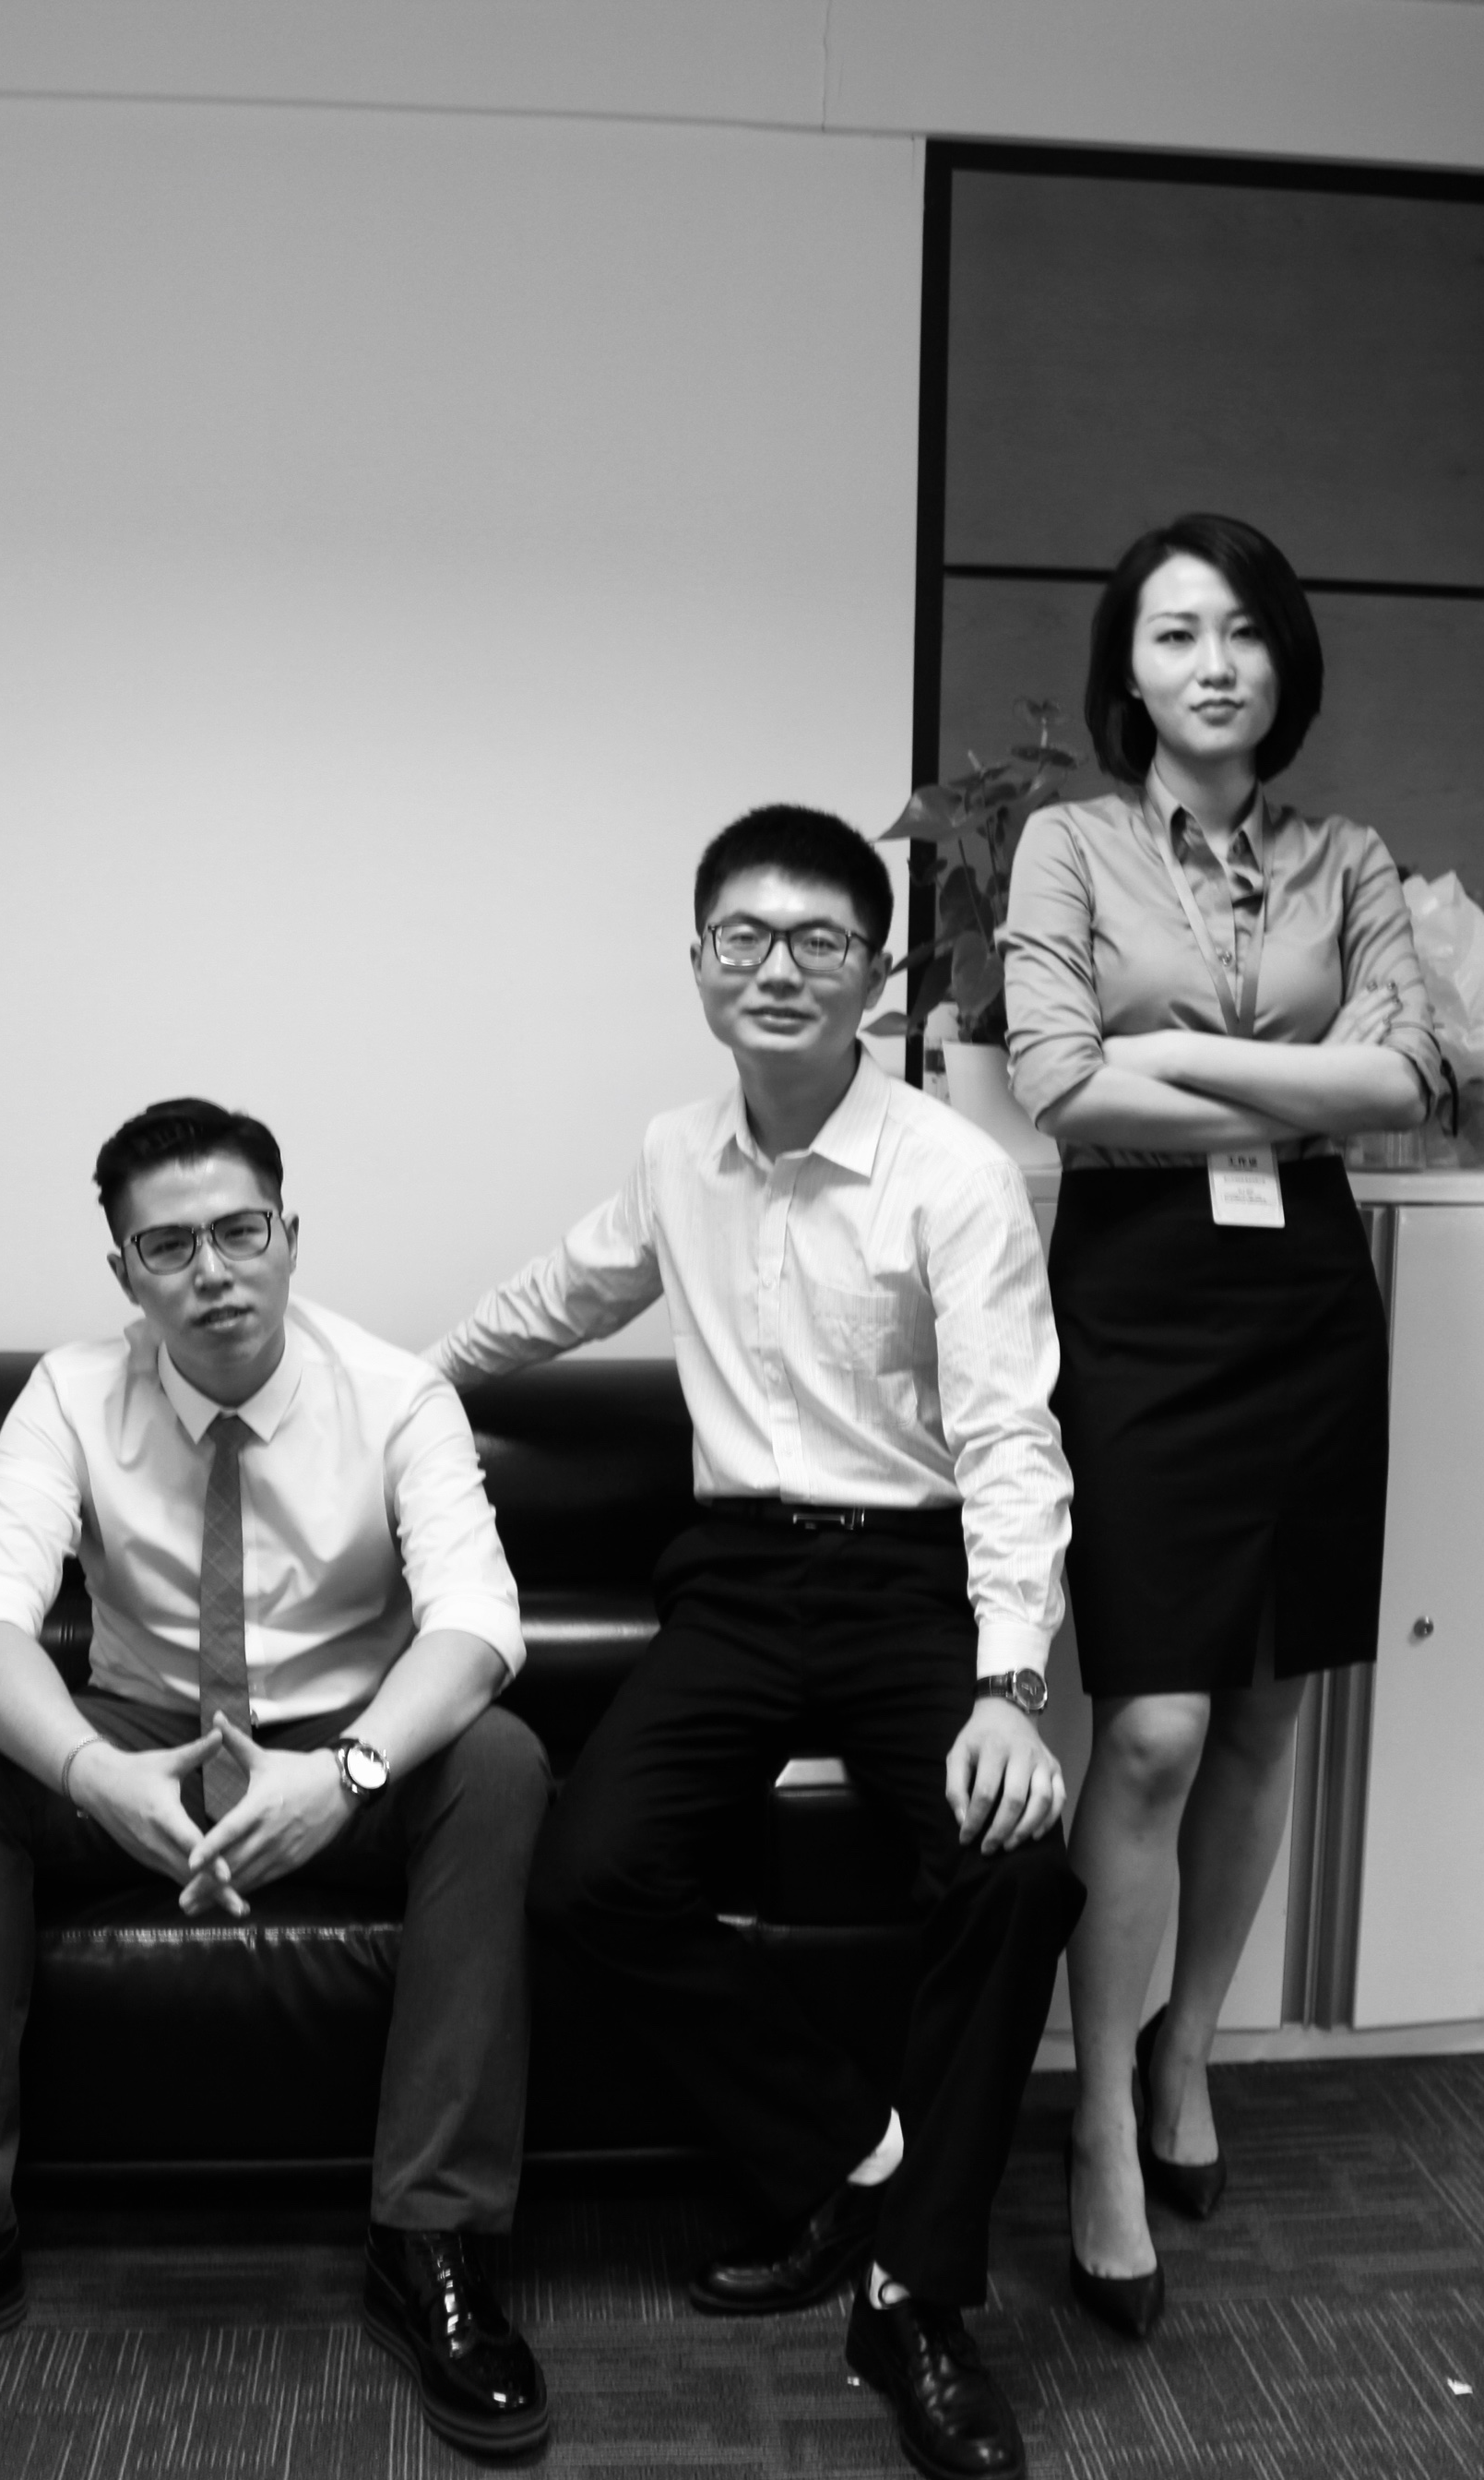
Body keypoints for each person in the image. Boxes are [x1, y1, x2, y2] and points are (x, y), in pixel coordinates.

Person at [0, 1099, 555, 2459]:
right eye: (169, 1247)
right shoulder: (72, 1392)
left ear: (290, 1237)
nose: (213, 1272)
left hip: (333, 1739)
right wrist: (91, 1772)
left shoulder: (396, 1396)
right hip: (138, 1736)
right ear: (124, 1273)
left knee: (501, 1758)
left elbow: (476, 1621)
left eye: (241, 1232)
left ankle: (435, 2242)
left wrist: (343, 1773)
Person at [429, 805, 1083, 2480]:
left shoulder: (955, 1173)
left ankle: (915, 2295)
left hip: (910, 1582)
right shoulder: (676, 1156)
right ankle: (859, 2159)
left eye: (818, 942)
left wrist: (1011, 1686)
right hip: (733, 1580)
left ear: (876, 971)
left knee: (1016, 1869)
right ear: (699, 963)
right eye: (745, 939)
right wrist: (395, 1392)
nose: (777, 969)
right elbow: (560, 1294)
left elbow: (1011, 1440)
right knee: (589, 1881)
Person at [997, 514, 1441, 2339]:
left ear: (1285, 662)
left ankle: (1191, 2052)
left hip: (1308, 1308)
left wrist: (1173, 1059)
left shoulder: (1353, 860)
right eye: (1177, 632)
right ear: (1131, 667)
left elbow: (1409, 1083)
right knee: (1154, 1726)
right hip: (1140, 1308)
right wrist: (1299, 1088)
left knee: (1266, 1711)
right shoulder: (1069, 845)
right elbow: (1056, 1086)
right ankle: (1100, 2115)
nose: (1214, 663)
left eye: (1245, 631)